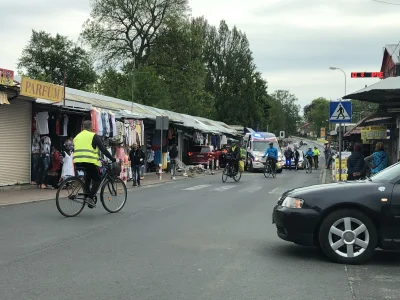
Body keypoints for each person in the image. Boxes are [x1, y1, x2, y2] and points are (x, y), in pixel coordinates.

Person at [74, 120, 116, 208]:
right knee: (97, 179)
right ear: (91, 127)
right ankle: (90, 198)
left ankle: (87, 195)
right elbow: (103, 149)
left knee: (88, 177)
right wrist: (112, 158)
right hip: (88, 161)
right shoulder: (93, 136)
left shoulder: (77, 136)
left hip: (77, 161)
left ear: (83, 127)